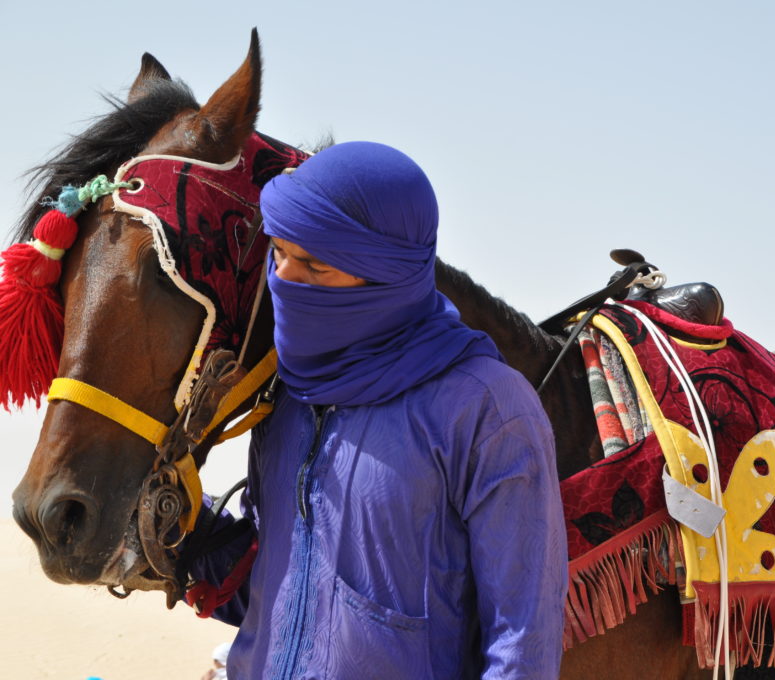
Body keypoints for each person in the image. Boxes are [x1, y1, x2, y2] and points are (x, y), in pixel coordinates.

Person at [188, 142, 568, 679]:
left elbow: (522, 641)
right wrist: (183, 526)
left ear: (391, 273)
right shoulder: (289, 396)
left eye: (315, 266)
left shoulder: (486, 408)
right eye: (279, 255)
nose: (286, 282)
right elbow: (274, 587)